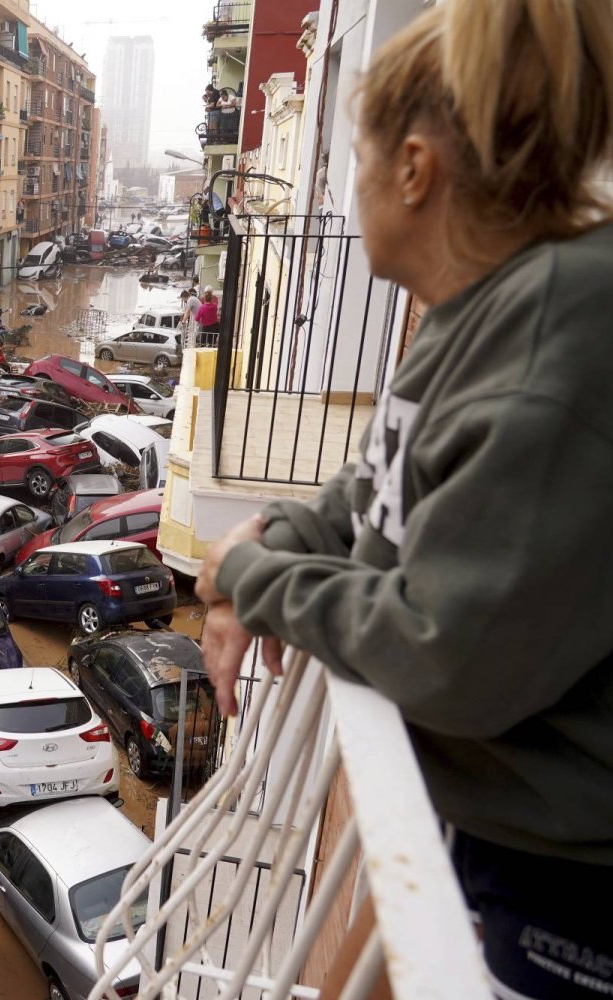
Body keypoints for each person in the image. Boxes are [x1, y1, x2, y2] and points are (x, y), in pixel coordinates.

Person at [194, 1, 613, 996]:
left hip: (564, 898)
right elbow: (373, 485)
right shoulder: (487, 311)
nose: (349, 187)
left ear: (415, 169)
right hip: (498, 836)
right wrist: (280, 538)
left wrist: (252, 571)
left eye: (356, 156)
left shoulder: (561, 327)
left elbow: (446, 652)